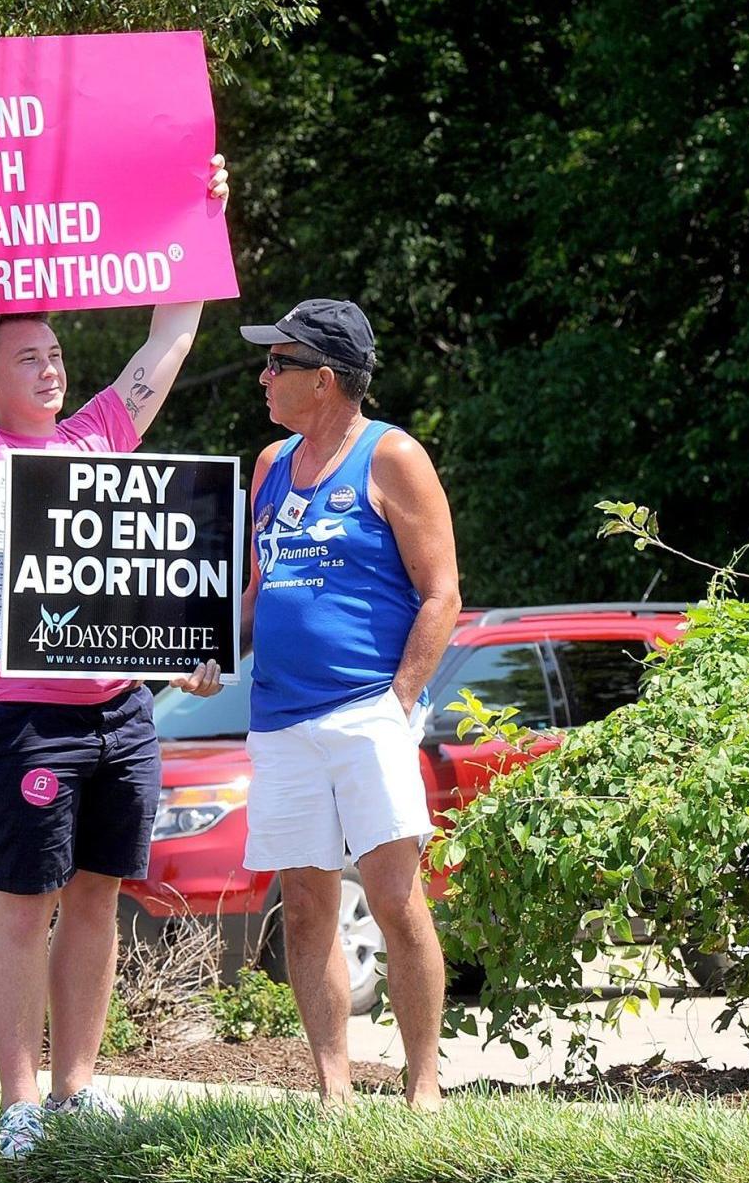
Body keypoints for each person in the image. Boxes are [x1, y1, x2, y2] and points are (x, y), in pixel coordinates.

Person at [0, 159, 226, 1160]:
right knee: (23, 909)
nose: (51, 368)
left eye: (56, 352)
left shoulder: (107, 430)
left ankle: (75, 1089)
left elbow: (172, 333)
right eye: (28, 358)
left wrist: (200, 215)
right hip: (24, 720)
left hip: (123, 716)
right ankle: (17, 1100)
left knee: (101, 899)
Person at [237, 299, 461, 1109]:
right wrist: (197, 651)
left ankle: (423, 1086)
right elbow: (256, 598)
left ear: (323, 379)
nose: (263, 376)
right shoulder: (269, 464)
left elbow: (442, 594)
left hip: (368, 708)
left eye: (277, 363)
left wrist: (397, 703)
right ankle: (332, 1087)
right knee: (303, 906)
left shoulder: (391, 455)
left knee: (397, 900)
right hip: (281, 719)